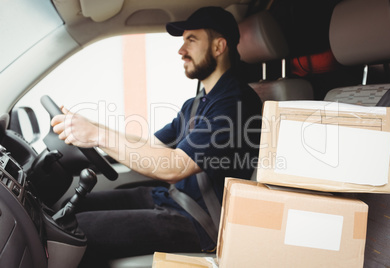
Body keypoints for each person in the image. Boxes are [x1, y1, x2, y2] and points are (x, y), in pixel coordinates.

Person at [51, 6, 262, 267]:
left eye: (191, 40)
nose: (181, 50)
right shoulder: (196, 104)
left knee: (70, 229)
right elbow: (151, 145)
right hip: (171, 199)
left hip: (200, 222)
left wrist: (96, 135)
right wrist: (90, 127)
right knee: (73, 206)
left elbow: (175, 166)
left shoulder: (234, 104)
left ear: (219, 47)